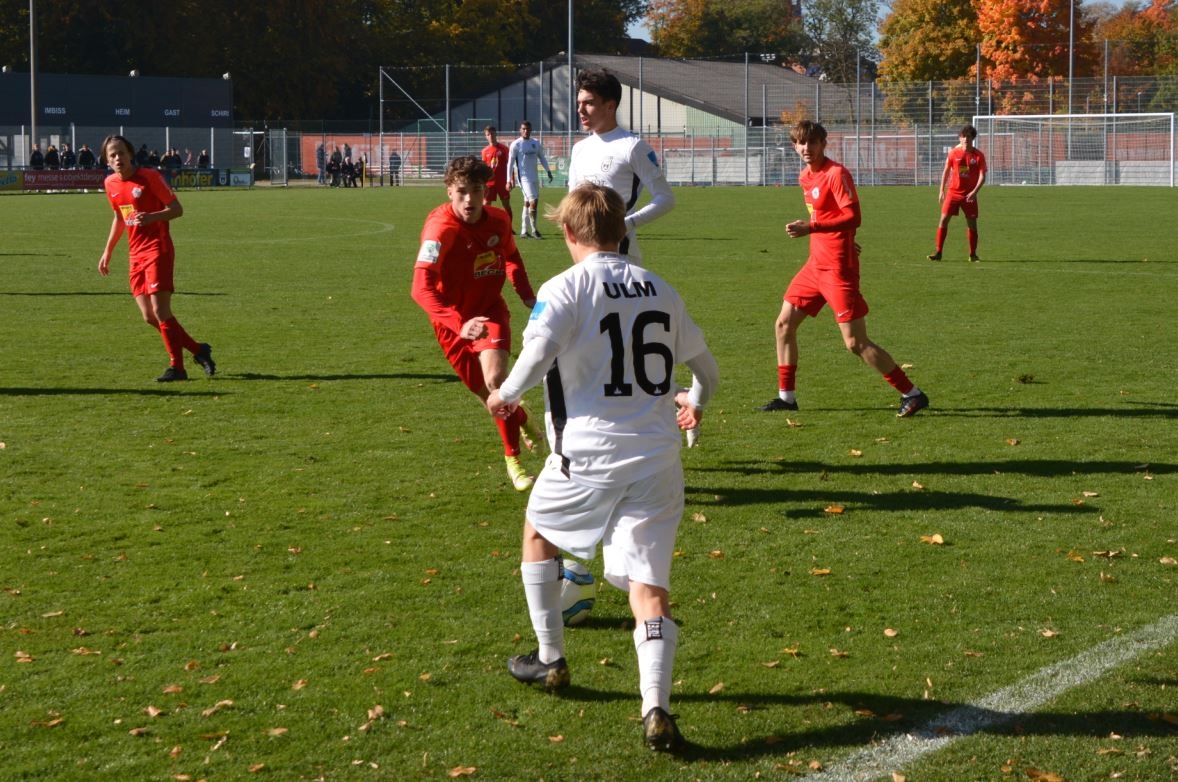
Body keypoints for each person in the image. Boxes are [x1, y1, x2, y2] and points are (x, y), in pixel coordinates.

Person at [486, 183, 719, 753]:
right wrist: (694, 402)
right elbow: (708, 373)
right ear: (622, 231)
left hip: (587, 455)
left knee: (538, 533)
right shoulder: (661, 288)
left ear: (568, 232)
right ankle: (656, 706)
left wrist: (505, 395)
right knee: (649, 586)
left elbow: (537, 354)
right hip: (657, 458)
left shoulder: (564, 287)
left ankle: (550, 658)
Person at [761, 119, 928, 418]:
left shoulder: (836, 174)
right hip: (815, 266)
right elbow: (830, 216)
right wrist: (841, 237)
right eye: (800, 142)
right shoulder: (805, 177)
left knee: (855, 342)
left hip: (838, 269)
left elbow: (853, 216)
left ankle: (912, 393)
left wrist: (814, 228)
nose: (806, 148)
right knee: (783, 325)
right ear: (794, 146)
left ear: (823, 144)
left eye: (812, 142)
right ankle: (786, 398)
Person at [411, 155, 542, 491]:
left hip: (489, 312)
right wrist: (459, 324)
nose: (470, 199)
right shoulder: (439, 230)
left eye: (477, 191)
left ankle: (513, 460)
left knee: (496, 381)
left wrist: (527, 296)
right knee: (490, 399)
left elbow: (512, 258)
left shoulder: (498, 220)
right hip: (451, 323)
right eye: (462, 192)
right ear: (449, 192)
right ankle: (523, 418)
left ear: (487, 191)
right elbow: (420, 289)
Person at [97, 134, 216, 383]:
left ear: (130, 154)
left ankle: (177, 368)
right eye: (112, 155)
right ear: (107, 161)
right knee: (149, 316)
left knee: (161, 311)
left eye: (121, 153)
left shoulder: (149, 177)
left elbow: (177, 209)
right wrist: (108, 251)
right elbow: (119, 217)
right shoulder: (110, 183)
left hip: (157, 249)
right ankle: (198, 349)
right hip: (135, 254)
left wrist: (151, 217)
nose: (118, 158)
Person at [567, 69, 675, 263]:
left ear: (610, 106)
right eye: (579, 103)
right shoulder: (579, 149)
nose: (580, 110)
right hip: (585, 257)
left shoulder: (633, 147)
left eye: (588, 103)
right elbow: (572, 202)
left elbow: (666, 199)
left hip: (622, 257)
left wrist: (626, 224)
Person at [928, 124, 987, 263]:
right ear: (960, 138)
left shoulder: (978, 156)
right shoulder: (954, 153)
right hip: (953, 193)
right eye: (963, 136)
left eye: (968, 136)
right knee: (943, 220)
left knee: (972, 224)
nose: (966, 139)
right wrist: (941, 190)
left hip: (969, 195)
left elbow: (982, 176)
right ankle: (938, 252)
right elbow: (946, 171)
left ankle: (973, 254)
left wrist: (974, 192)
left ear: (973, 138)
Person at [507, 121, 553, 238]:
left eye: (528, 129)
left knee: (527, 202)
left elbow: (542, 157)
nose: (526, 131)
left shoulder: (535, 143)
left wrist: (548, 170)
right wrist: (508, 180)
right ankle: (534, 230)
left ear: (531, 130)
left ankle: (524, 231)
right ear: (520, 130)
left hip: (534, 177)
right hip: (523, 178)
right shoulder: (516, 144)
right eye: (523, 129)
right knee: (534, 201)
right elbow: (510, 163)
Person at [481, 125, 513, 229]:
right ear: (486, 136)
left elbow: (510, 165)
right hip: (489, 183)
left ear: (495, 134)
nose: (490, 136)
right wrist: (483, 182)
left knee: (506, 205)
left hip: (502, 182)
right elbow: (484, 168)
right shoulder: (484, 151)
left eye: (492, 134)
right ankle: (485, 226)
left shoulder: (504, 149)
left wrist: (511, 179)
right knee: (486, 205)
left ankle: (509, 227)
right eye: (488, 134)